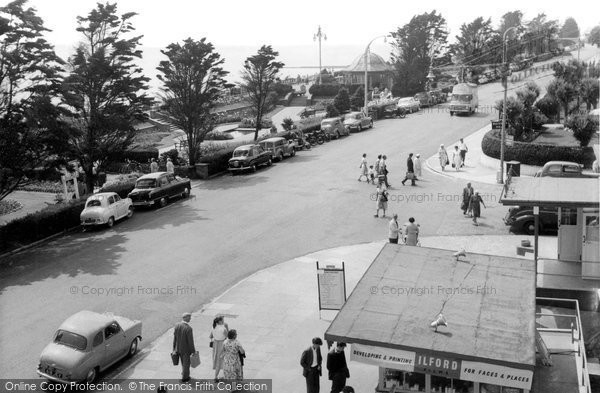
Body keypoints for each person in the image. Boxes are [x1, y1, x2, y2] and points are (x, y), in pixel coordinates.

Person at [173, 312, 196, 382]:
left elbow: (175, 338)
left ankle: (184, 373)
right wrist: (193, 351)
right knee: (186, 364)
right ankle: (185, 377)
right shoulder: (188, 328)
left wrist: (174, 348)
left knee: (183, 363)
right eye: (189, 317)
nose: (190, 319)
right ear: (185, 318)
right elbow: (190, 342)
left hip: (178, 348)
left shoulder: (177, 325)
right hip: (186, 350)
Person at [210, 316, 228, 381]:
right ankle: (225, 375)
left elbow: (210, 336)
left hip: (215, 344)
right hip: (222, 344)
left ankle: (216, 376)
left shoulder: (213, 327)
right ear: (220, 321)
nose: (223, 321)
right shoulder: (223, 328)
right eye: (223, 320)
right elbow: (228, 337)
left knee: (217, 360)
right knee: (224, 360)